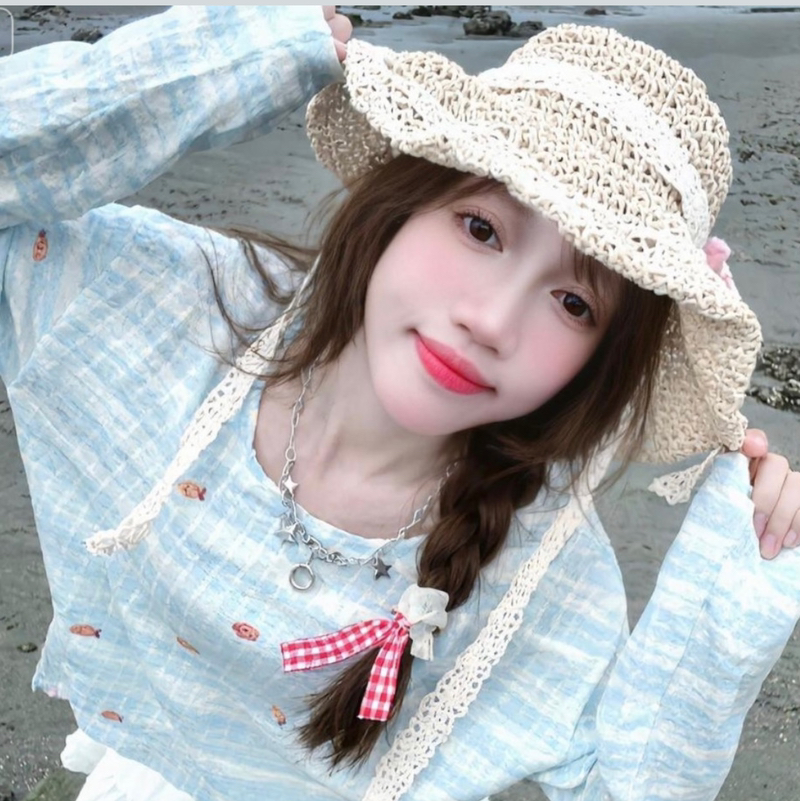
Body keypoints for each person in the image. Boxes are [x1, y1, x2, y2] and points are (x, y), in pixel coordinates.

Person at [1, 6, 799, 801]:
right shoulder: (165, 308)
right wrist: (222, 57)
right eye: (481, 229)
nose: (490, 321)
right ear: (405, 195)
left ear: (599, 366)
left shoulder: (545, 571)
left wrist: (723, 603)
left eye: (573, 303)